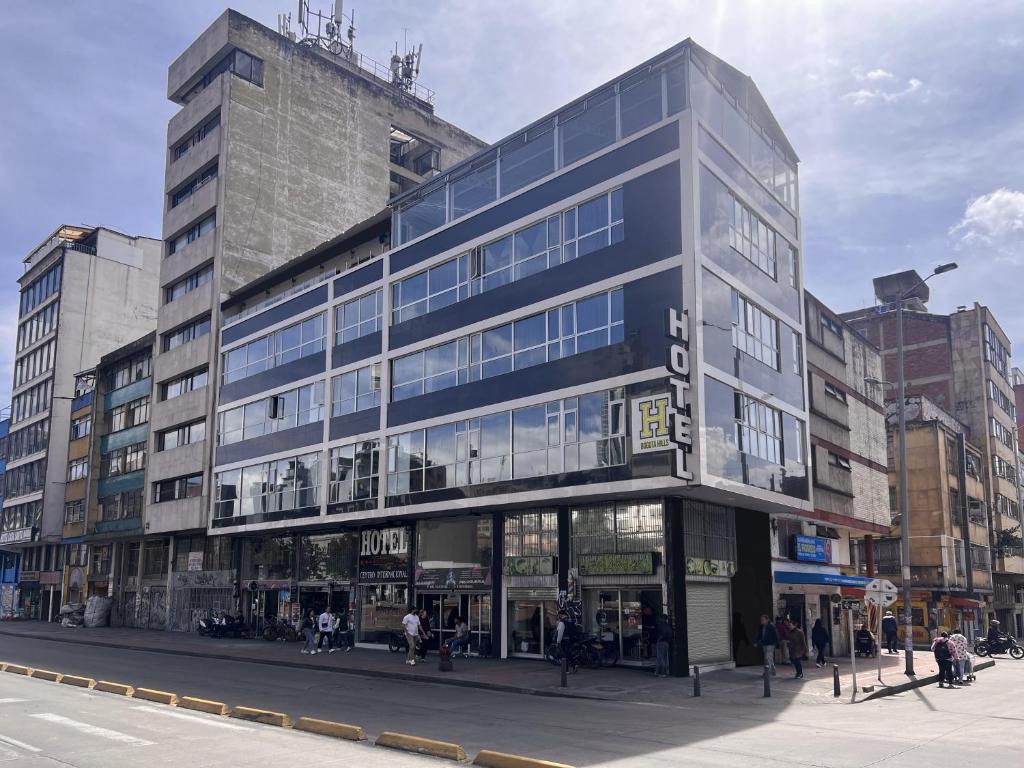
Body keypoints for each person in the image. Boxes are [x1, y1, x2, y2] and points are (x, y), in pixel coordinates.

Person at [654, 612, 673, 678]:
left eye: (660, 618)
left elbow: (662, 634)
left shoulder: (661, 625)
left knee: (660, 658)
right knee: (664, 658)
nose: (659, 619)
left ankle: (661, 672)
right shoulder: (668, 625)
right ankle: (665, 672)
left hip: (661, 642)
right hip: (666, 643)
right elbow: (670, 634)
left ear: (662, 618)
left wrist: (658, 640)